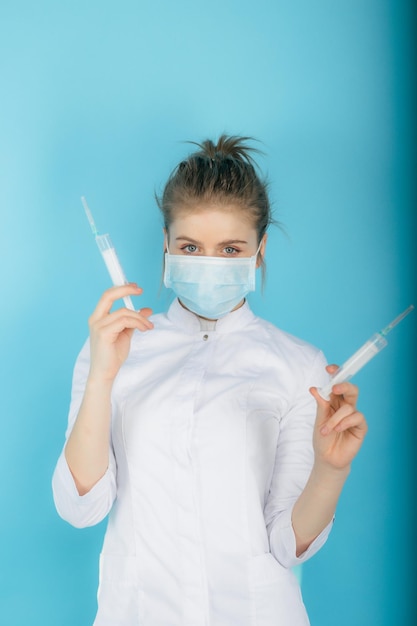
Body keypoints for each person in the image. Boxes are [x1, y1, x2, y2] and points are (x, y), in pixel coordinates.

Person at [52, 135, 367, 626]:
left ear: (258, 252)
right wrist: (102, 378)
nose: (210, 263)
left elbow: (288, 544)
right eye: (191, 247)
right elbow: (80, 507)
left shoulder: (299, 367)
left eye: (231, 248)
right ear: (166, 245)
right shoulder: (114, 349)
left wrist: (331, 471)